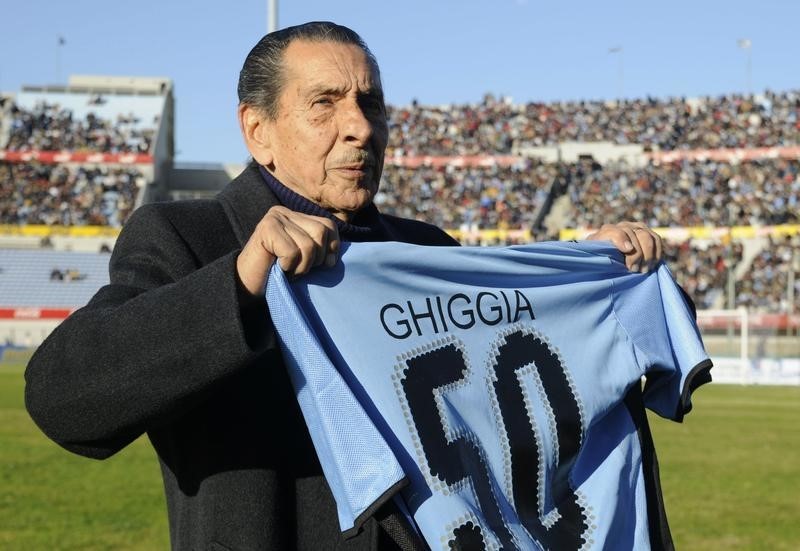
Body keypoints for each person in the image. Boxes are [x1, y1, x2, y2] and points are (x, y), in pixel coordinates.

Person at [25, 21, 663, 550]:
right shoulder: (189, 237)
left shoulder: (426, 251)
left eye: (372, 103)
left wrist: (593, 271)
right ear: (259, 131)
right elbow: (64, 399)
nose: (360, 126)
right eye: (324, 103)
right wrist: (241, 284)